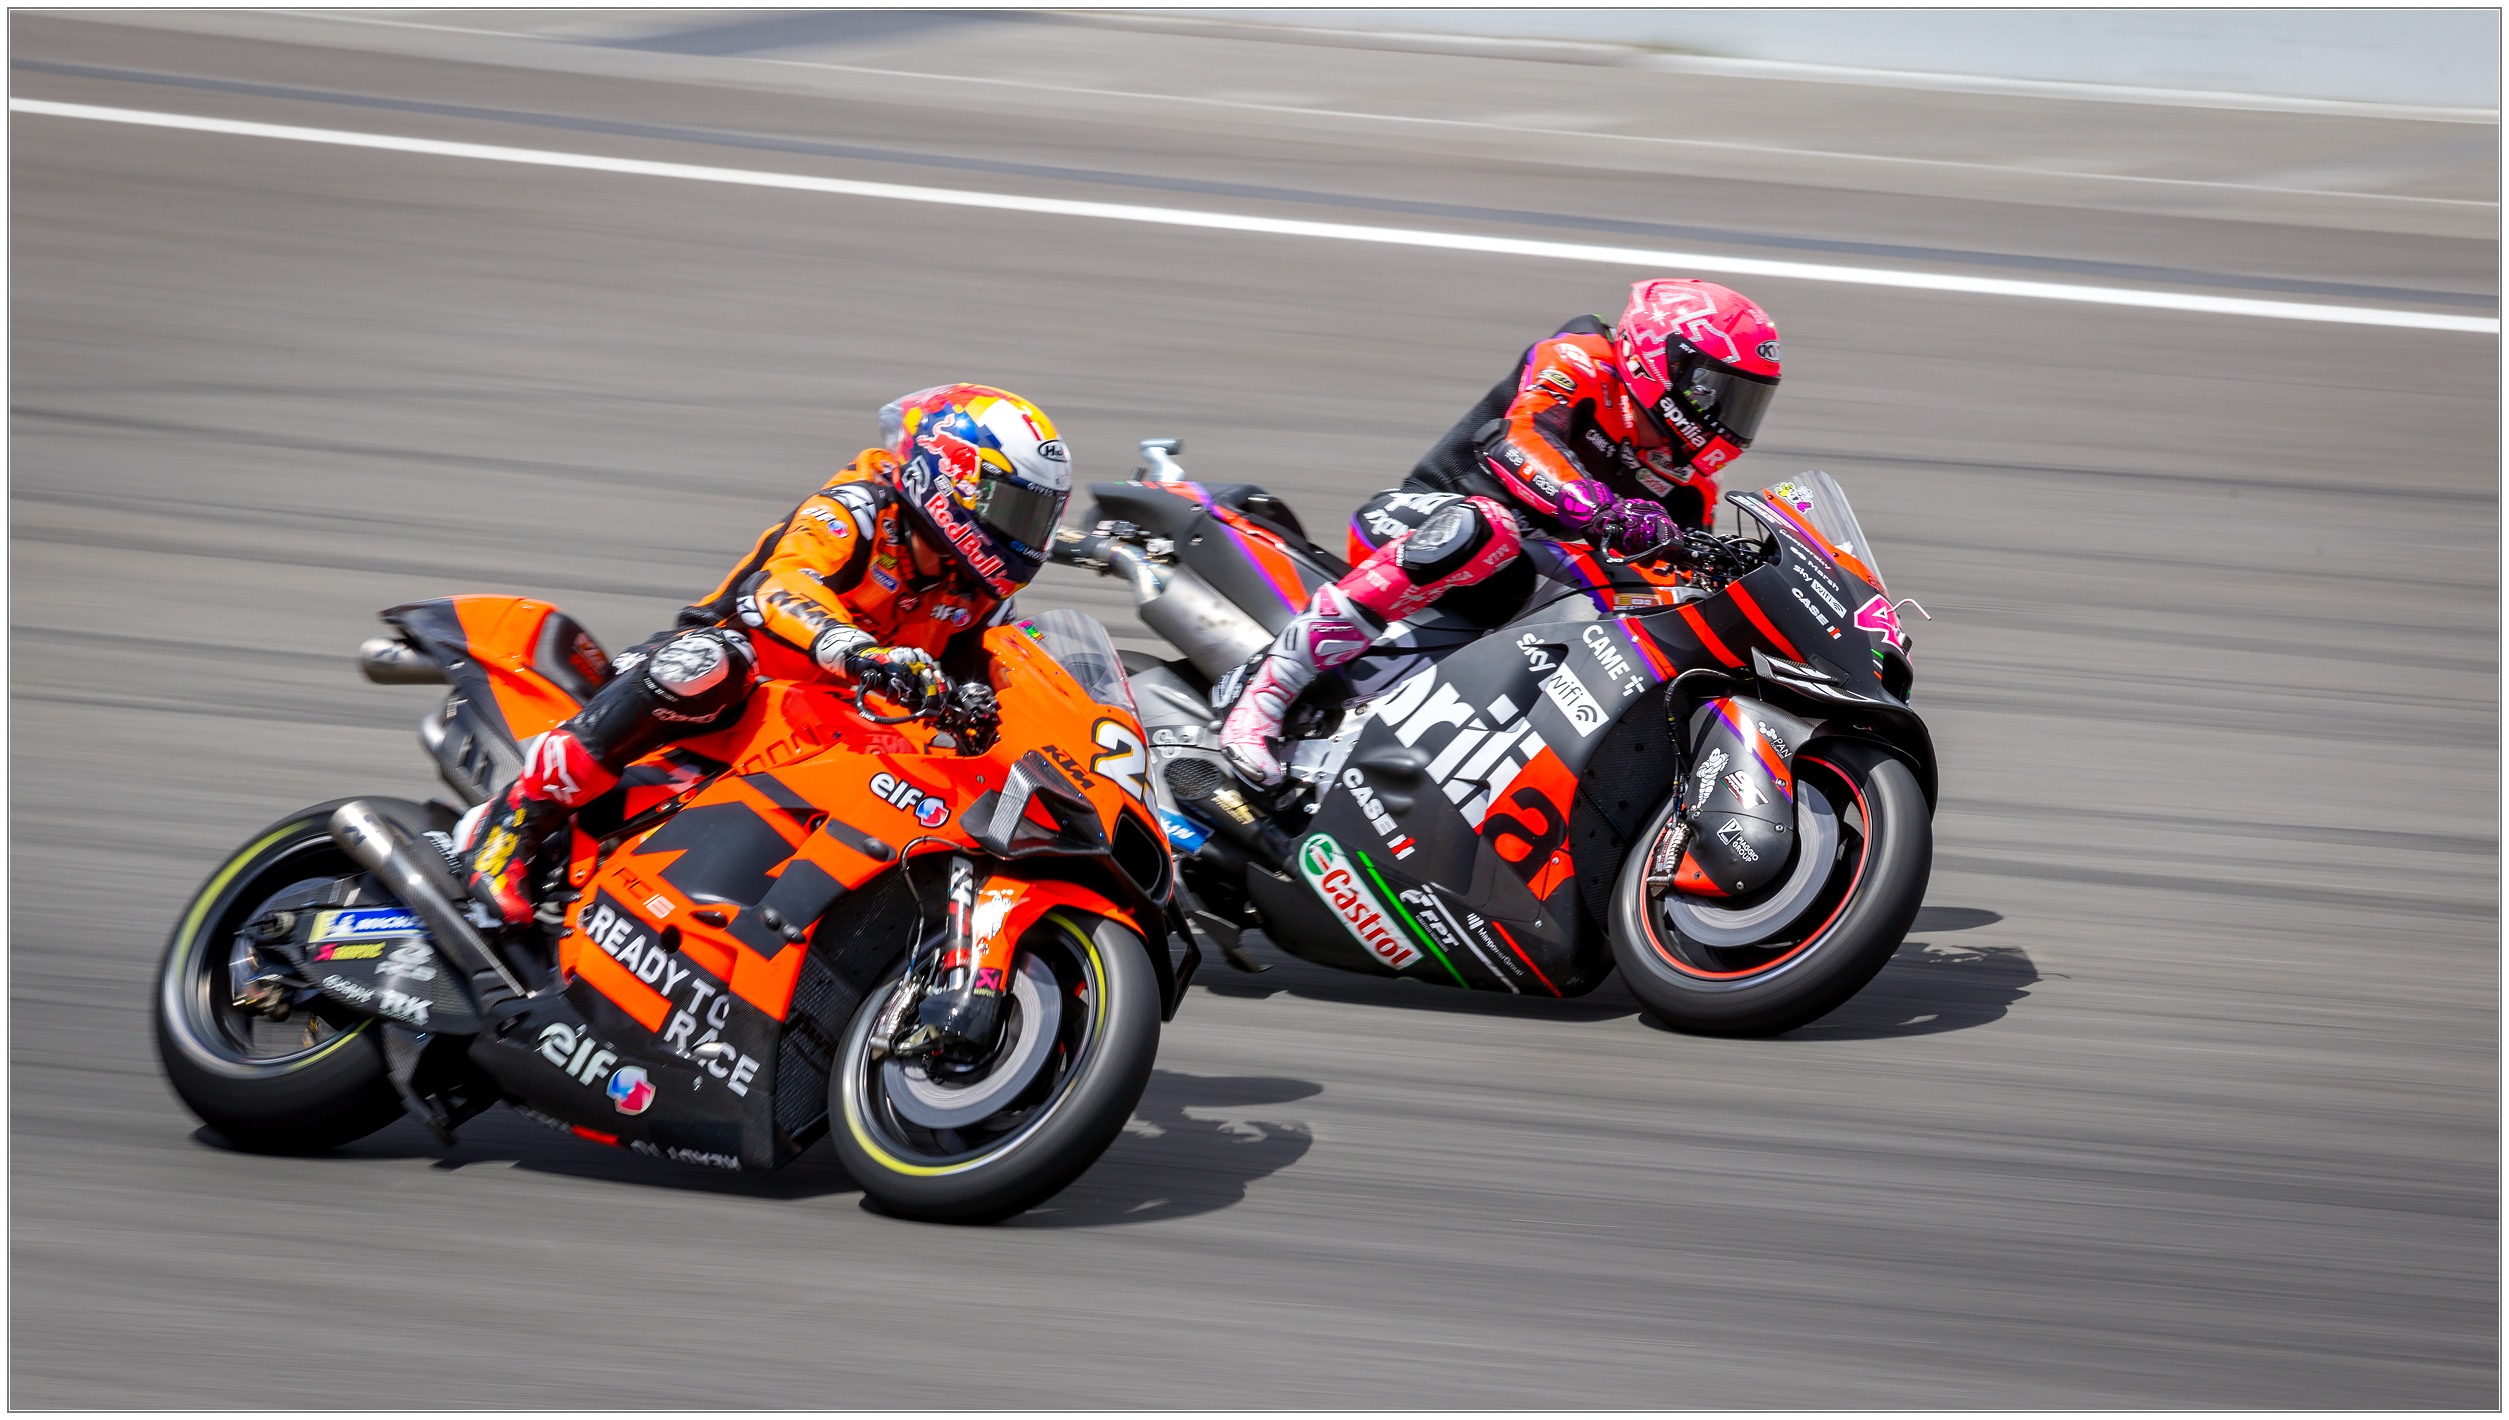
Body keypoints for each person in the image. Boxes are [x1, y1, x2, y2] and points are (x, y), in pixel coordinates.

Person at [459, 383, 1073, 926]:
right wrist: (858, 652)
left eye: (1038, 518)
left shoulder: (974, 596)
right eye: (1014, 509)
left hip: (832, 734)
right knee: (710, 662)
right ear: (947, 477)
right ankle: (514, 823)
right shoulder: (857, 511)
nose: (1027, 534)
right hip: (716, 695)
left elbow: (1000, 680)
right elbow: (779, 589)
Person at [1219, 278, 1782, 788]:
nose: (1729, 416)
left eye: (1747, 401)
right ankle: (1270, 683)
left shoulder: (1691, 485)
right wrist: (1602, 511)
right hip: (1424, 521)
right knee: (1490, 528)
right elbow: (1517, 440)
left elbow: (1676, 587)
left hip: (1522, 587)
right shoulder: (1581, 358)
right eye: (1717, 391)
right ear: (1663, 360)